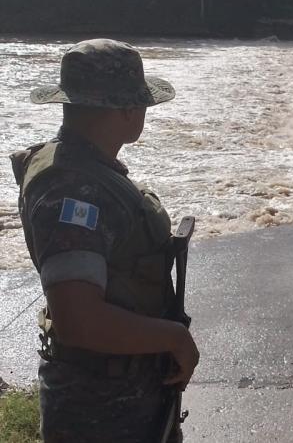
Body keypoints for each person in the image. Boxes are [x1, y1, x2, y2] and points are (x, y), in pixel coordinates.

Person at [10, 39, 200, 442]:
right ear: (127, 109)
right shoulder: (75, 190)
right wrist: (174, 337)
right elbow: (79, 322)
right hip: (101, 414)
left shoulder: (82, 169)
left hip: (121, 399)